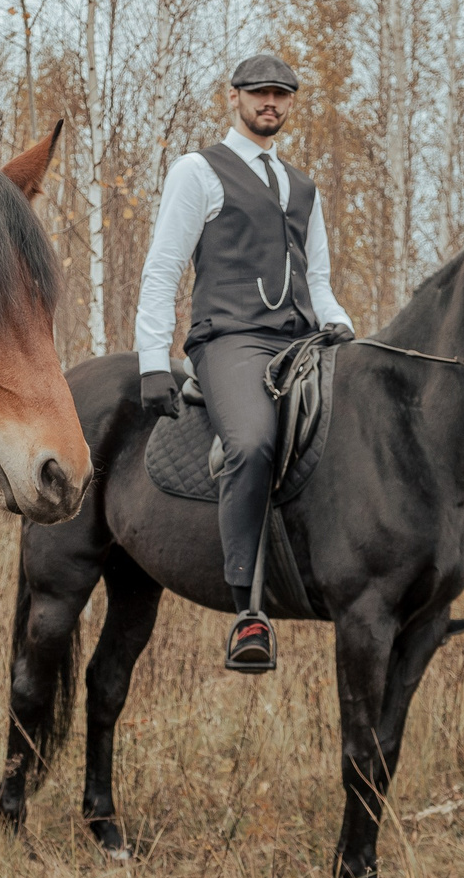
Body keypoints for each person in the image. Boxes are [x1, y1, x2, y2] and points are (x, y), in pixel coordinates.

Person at [134, 52, 355, 675]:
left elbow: (320, 281)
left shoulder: (305, 188)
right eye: (259, 92)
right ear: (233, 97)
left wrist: (342, 326)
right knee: (253, 441)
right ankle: (247, 611)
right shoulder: (199, 171)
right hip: (230, 340)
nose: (271, 103)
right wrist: (154, 359)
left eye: (282, 95)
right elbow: (163, 265)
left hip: (302, 341)